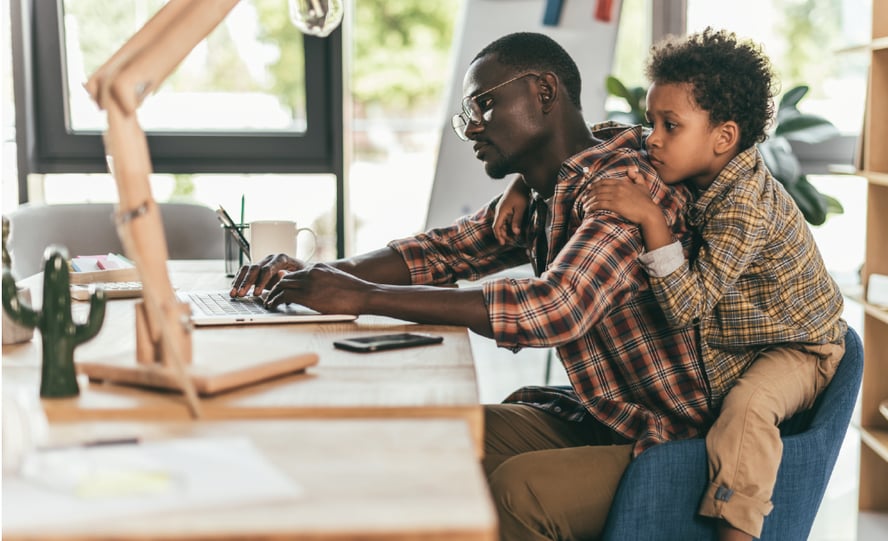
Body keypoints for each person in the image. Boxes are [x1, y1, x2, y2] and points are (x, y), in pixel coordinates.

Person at [230, 32, 723, 541]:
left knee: (517, 492)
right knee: (436, 441)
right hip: (601, 415)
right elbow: (443, 251)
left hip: (670, 439)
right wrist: (324, 276)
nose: (472, 129)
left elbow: (556, 307)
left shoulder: (624, 191)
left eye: (485, 105)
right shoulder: (548, 187)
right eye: (467, 113)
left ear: (544, 93)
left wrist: (361, 297)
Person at [493, 28, 848, 540]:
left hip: (798, 345)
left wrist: (651, 220)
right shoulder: (678, 153)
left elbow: (688, 306)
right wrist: (524, 183)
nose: (652, 137)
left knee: (746, 412)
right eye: (651, 120)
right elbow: (594, 140)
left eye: (670, 126)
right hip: (745, 332)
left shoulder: (745, 207)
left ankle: (738, 529)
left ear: (723, 138)